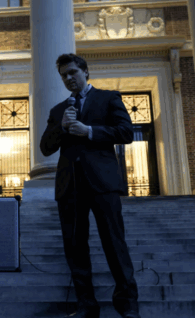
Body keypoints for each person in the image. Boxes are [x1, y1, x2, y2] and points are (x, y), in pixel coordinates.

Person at [40, 53, 140, 318]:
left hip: (103, 183)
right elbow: (45, 147)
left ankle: (127, 304)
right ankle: (87, 305)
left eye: (72, 72)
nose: (68, 78)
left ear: (85, 71)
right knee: (75, 247)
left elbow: (126, 132)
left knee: (114, 243)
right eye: (63, 75)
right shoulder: (58, 110)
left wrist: (90, 131)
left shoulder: (108, 98)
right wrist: (61, 128)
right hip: (69, 186)